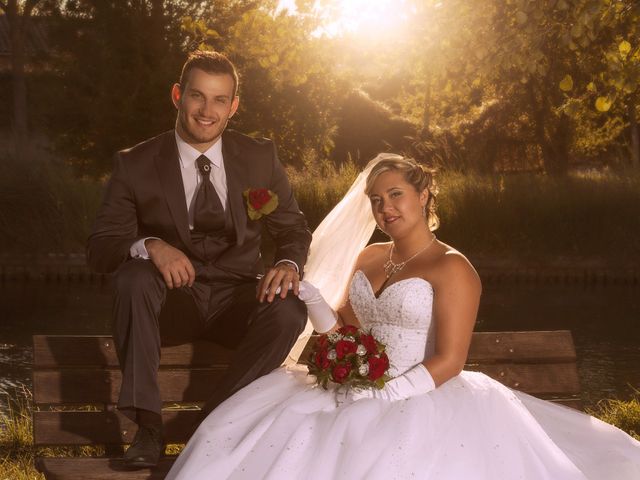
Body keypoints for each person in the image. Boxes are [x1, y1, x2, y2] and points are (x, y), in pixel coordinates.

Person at [166, 154, 640, 479]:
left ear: (424, 194)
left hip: (421, 393)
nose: (384, 208)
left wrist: (387, 393)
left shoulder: (453, 267)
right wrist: (314, 302)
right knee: (254, 433)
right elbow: (346, 334)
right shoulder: (369, 257)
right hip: (351, 386)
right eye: (375, 199)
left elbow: (452, 360)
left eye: (394, 195)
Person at [86, 50, 312, 469]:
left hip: (237, 300)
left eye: (220, 99)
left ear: (234, 106)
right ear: (177, 95)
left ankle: (212, 424)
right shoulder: (135, 163)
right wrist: (150, 244)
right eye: (197, 96)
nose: (207, 111)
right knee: (133, 278)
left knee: (290, 309)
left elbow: (293, 230)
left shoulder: (260, 157)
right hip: (174, 304)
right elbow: (101, 247)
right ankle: (149, 428)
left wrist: (288, 264)